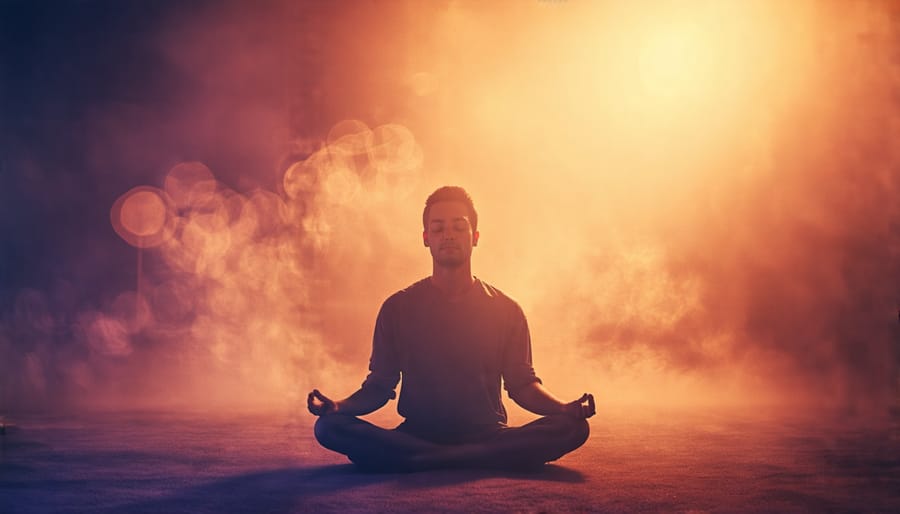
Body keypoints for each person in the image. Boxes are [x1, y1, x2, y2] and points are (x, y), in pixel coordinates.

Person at [308, 186, 595, 472]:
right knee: (329, 426)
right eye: (438, 228)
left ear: (475, 238)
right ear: (426, 238)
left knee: (573, 427)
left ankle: (427, 460)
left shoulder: (506, 310)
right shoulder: (397, 307)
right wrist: (338, 406)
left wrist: (563, 409)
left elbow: (522, 385)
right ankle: (472, 460)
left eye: (459, 227)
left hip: (487, 434)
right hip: (417, 435)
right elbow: (379, 386)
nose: (448, 235)